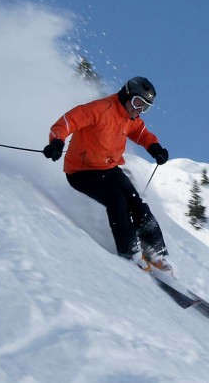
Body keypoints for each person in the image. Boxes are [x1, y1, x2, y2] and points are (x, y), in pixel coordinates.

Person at [42, 76, 172, 272]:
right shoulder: (101, 109)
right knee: (116, 201)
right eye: (138, 103)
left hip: (109, 168)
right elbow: (69, 121)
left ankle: (156, 253)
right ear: (127, 94)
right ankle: (130, 252)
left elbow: (141, 133)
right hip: (81, 172)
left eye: (145, 107)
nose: (139, 110)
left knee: (136, 203)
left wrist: (154, 148)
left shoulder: (130, 118)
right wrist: (57, 142)